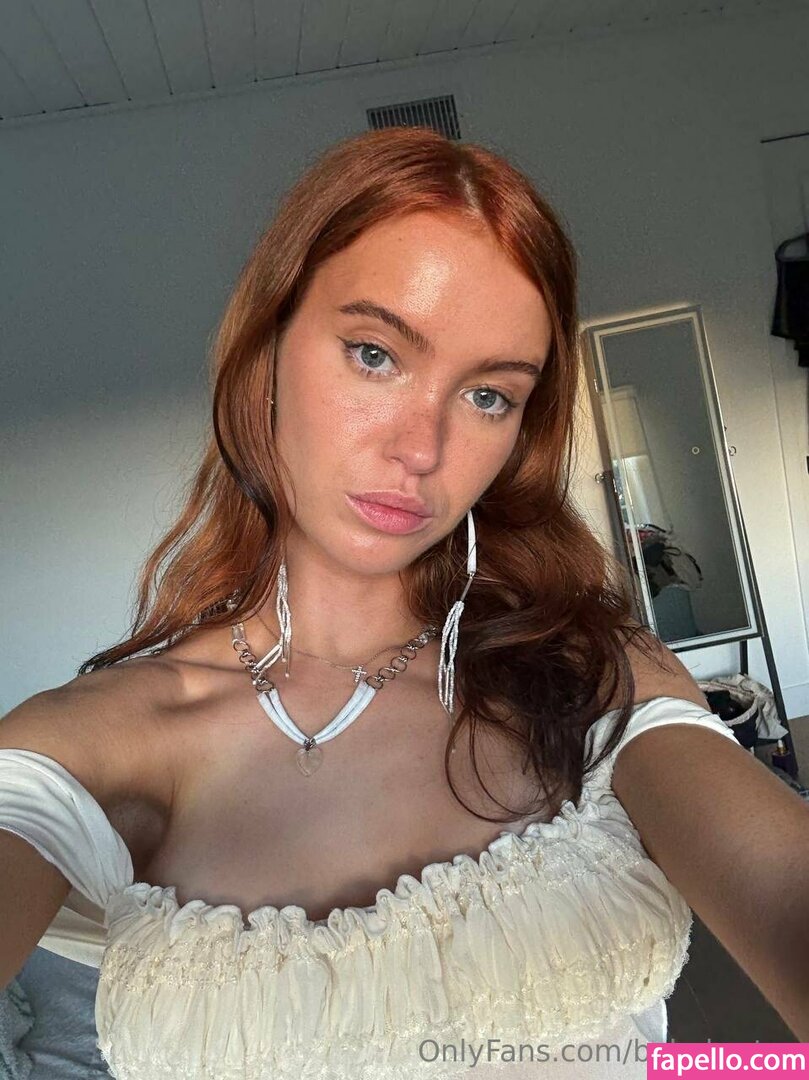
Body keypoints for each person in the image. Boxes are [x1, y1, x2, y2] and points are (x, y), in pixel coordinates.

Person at [1, 127, 807, 1080]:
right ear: (267, 349)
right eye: (374, 354)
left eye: (489, 397)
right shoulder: (89, 747)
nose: (422, 449)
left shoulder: (590, 671)